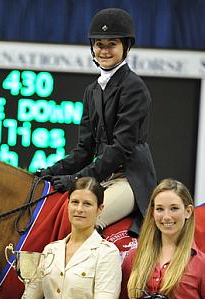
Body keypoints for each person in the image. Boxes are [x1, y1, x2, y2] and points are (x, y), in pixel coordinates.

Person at [37, 7, 157, 236]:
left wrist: (77, 178)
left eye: (111, 44)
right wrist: (49, 172)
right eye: (99, 44)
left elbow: (120, 148)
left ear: (126, 47)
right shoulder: (92, 91)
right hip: (100, 179)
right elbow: (84, 150)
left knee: (87, 218)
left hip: (128, 180)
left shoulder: (134, 88)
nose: (104, 50)